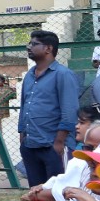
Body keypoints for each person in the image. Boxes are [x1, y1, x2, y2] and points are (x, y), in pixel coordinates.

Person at [18, 30, 79, 188]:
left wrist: (59, 142)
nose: (29, 47)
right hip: (30, 145)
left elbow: (70, 111)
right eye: (29, 43)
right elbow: (24, 105)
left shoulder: (63, 74)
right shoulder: (29, 75)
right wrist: (22, 136)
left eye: (34, 44)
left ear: (48, 49)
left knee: (57, 192)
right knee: (36, 191)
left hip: (53, 146)